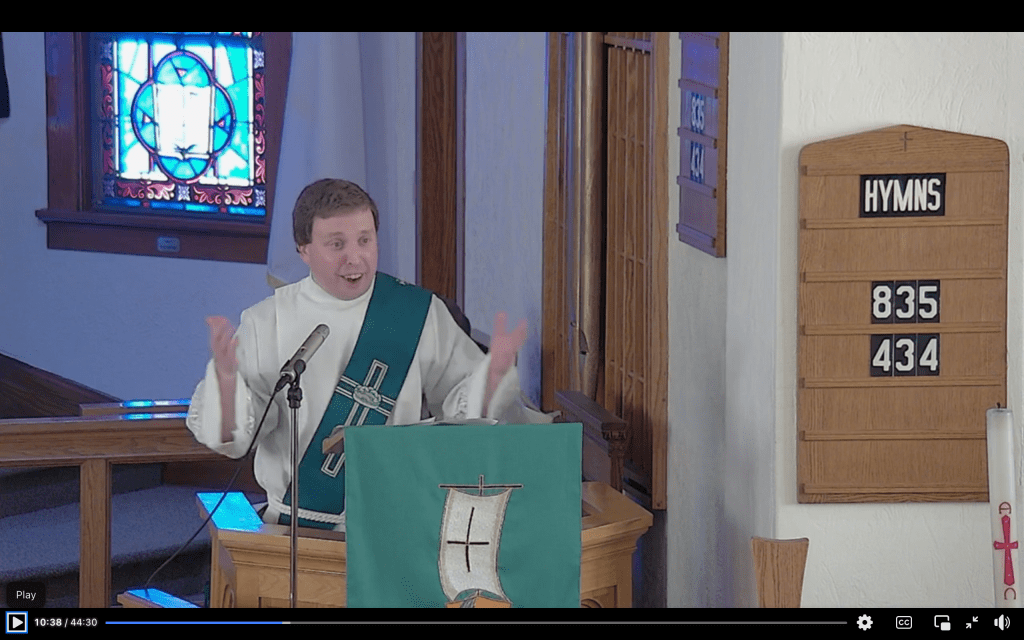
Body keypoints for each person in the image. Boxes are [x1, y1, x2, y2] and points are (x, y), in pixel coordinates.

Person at [186, 179, 540, 531]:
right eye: (336, 244)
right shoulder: (267, 321)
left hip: (396, 524)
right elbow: (234, 440)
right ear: (304, 250)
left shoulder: (415, 312)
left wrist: (491, 379)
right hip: (297, 528)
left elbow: (464, 415)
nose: (354, 258)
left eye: (365, 240)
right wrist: (227, 384)